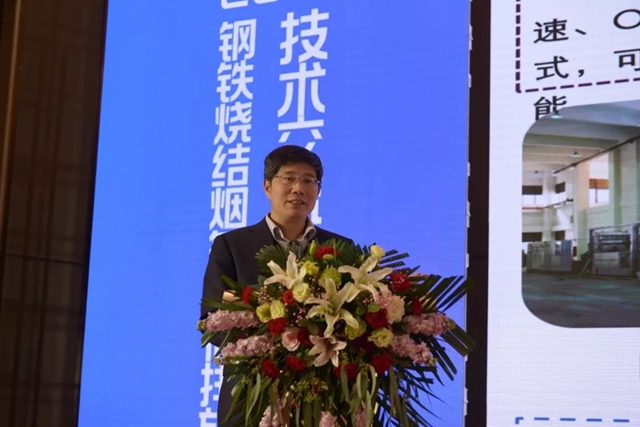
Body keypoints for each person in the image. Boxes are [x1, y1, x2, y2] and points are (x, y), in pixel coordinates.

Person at [200, 145, 352, 426]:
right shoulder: (232, 245)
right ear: (267, 186)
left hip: (323, 398)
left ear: (318, 190)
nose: (299, 188)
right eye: (289, 178)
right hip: (252, 394)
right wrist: (275, 345)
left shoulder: (340, 247)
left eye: (309, 180)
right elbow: (211, 321)